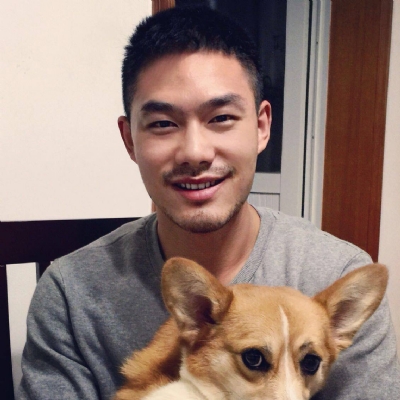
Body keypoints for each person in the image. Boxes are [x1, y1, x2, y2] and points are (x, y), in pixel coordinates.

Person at [18, 6, 400, 400]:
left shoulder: (337, 272)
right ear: (130, 139)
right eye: (163, 123)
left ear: (261, 126)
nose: (195, 152)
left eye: (221, 118)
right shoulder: (69, 294)